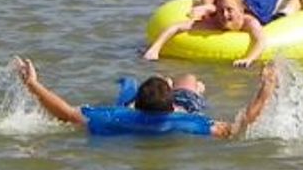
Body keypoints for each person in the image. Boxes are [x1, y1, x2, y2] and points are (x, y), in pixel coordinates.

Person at [15, 55, 278, 139]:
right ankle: (186, 85)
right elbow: (240, 127)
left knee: (165, 80)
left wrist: (33, 84)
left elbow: (64, 113)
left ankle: (166, 82)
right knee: (190, 80)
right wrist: (266, 89)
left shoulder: (114, 118)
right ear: (173, 106)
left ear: (135, 105)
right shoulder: (190, 123)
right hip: (184, 106)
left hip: (140, 109)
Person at [143, 0, 266, 68]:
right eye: (221, 10)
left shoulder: (249, 22)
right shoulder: (215, 21)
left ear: (241, 10)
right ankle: (208, 5)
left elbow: (260, 40)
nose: (224, 14)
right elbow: (176, 27)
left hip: (253, 7)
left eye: (229, 10)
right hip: (212, 4)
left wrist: (249, 59)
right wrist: (155, 48)